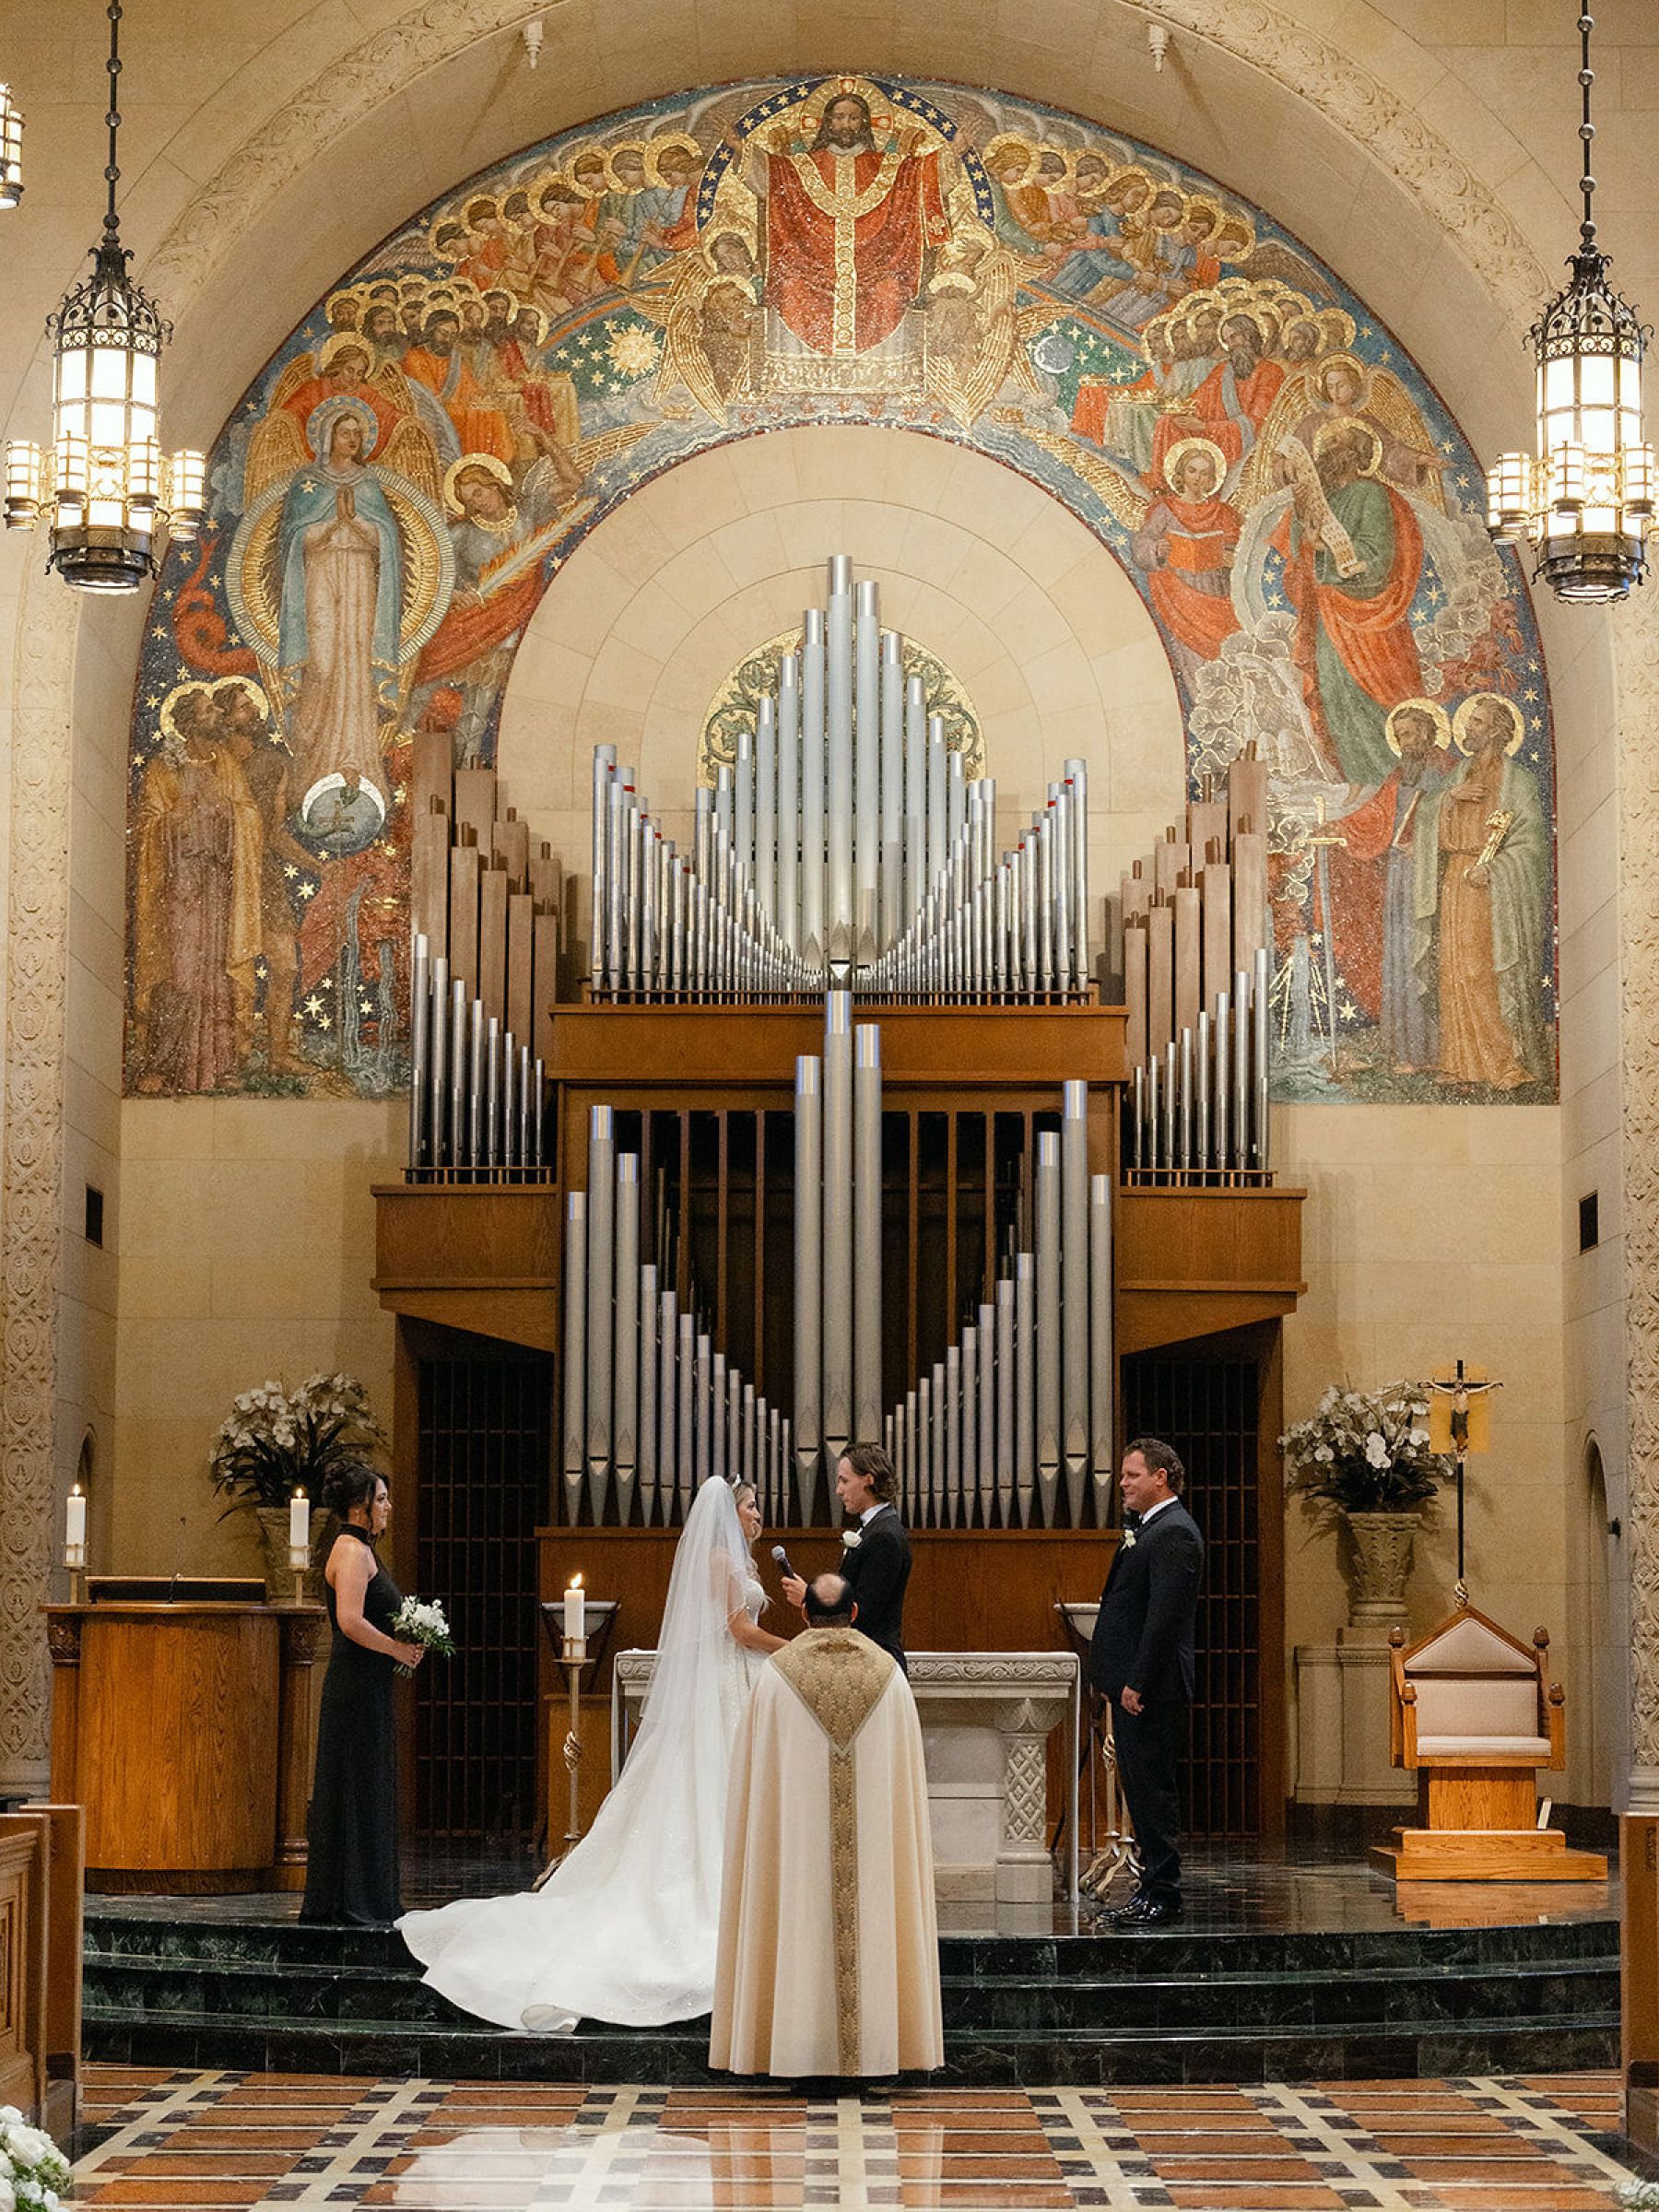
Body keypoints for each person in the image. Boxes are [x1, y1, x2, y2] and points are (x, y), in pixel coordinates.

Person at [398, 1477, 784, 2030]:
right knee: (711, 1785)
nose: (757, 1516)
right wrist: (797, 1646)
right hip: (726, 1682)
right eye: (751, 1507)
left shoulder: (740, 1560)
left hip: (735, 1684)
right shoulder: (724, 1559)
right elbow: (740, 1630)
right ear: (731, 1512)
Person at [711, 1574, 942, 2079]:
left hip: (799, 1857)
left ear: (803, 1614)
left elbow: (755, 1784)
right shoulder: (889, 1675)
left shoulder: (776, 1677)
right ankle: (881, 2050)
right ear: (856, 1613)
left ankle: (794, 2048)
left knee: (796, 1908)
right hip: (874, 1863)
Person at [1088, 1436, 1204, 1926]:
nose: (1123, 1483)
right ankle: (1151, 1889)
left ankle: (1165, 1894)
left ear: (1161, 1477)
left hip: (1151, 1688)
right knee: (1138, 1789)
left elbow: (1165, 1618)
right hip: (1134, 1685)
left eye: (1132, 1475)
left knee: (1152, 1793)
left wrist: (1137, 1681)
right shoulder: (1148, 1528)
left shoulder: (1175, 1532)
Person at [300, 1464, 422, 1926]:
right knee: (357, 1783)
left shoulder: (359, 1548)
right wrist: (397, 1648)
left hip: (366, 1683)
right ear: (360, 1507)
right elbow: (350, 1621)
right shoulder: (351, 1553)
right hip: (355, 1685)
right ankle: (355, 1901)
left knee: (367, 1784)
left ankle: (363, 1896)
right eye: (382, 1499)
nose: (389, 1507)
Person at [782, 1443, 911, 1669]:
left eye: (844, 1480)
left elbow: (864, 1612)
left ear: (868, 1480)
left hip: (874, 1663)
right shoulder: (874, 1528)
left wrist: (809, 1599)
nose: (838, 1490)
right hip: (863, 1660)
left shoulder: (884, 1536)